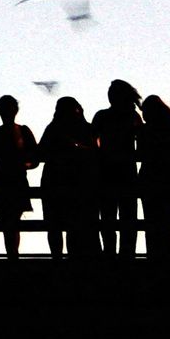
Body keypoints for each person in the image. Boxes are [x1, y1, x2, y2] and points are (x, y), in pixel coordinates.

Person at [39, 96, 98, 258]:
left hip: (56, 181)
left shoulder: (53, 129)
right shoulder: (86, 129)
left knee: (55, 225)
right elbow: (96, 151)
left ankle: (58, 258)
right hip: (77, 182)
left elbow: (40, 152)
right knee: (73, 226)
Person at [92, 80, 142, 257]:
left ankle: (109, 255)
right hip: (127, 171)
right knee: (128, 218)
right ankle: (127, 255)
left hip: (105, 171)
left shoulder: (101, 117)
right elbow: (142, 143)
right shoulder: (133, 117)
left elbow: (93, 142)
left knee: (107, 217)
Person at [0, 95, 38, 259]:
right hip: (16, 179)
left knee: (9, 221)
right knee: (13, 221)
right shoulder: (22, 131)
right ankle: (13, 254)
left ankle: (12, 254)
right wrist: (25, 165)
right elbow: (36, 157)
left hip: (5, 180)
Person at [137, 95, 170, 259]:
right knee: (166, 220)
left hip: (149, 179)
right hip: (169, 178)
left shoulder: (145, 131)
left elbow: (141, 153)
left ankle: (153, 255)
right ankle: (166, 254)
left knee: (151, 220)